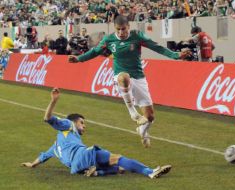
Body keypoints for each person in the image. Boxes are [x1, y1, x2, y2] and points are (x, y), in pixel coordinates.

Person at [69, 15, 191, 148]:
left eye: (124, 29)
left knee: (150, 117)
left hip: (139, 77)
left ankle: (142, 132)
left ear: (129, 27)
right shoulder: (109, 39)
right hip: (120, 76)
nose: (121, 33)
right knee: (124, 77)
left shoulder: (137, 36)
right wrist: (79, 59)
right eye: (118, 29)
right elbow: (95, 51)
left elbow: (157, 47)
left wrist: (175, 55)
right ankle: (132, 112)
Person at [21, 88, 172, 179]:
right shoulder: (68, 125)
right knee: (118, 158)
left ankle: (96, 172)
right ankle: (150, 171)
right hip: (82, 156)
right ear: (74, 122)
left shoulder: (55, 146)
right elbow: (47, 118)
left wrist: (32, 164)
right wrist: (54, 101)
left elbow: (43, 157)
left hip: (75, 168)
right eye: (82, 122)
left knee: (120, 169)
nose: (84, 126)